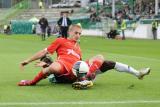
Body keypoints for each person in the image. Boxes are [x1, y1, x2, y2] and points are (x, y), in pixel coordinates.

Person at [18, 24, 83, 86]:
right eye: (76, 33)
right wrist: (28, 61)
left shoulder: (79, 49)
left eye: (79, 34)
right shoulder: (61, 40)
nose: (78, 35)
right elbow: (43, 52)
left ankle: (48, 66)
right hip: (62, 70)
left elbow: (80, 64)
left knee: (90, 63)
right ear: (69, 32)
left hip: (72, 74)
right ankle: (32, 82)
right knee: (53, 67)